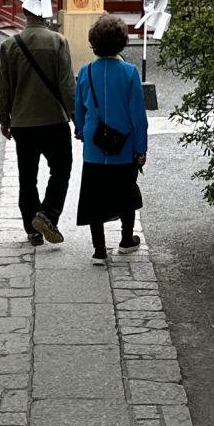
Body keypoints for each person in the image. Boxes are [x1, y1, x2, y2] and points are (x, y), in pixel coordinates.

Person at [0, 4, 76, 245]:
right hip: (54, 120)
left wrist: (4, 118)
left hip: (23, 121)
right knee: (61, 170)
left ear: (24, 13)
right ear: (46, 13)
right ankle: (48, 213)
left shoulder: (10, 45)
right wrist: (76, 118)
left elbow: (4, 87)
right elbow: (67, 86)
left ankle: (32, 227)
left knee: (27, 177)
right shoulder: (58, 42)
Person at [73, 13, 149, 263]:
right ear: (122, 42)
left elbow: (79, 111)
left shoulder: (86, 72)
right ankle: (127, 239)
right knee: (126, 194)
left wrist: (83, 132)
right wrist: (140, 148)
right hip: (124, 147)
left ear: (94, 43)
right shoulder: (129, 73)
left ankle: (99, 249)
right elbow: (138, 116)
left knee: (94, 198)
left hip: (95, 148)